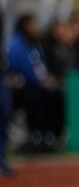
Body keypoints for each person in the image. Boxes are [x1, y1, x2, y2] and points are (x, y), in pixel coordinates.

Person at [5, 13, 64, 152]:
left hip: (40, 84)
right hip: (24, 86)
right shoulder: (16, 44)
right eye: (34, 24)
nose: (37, 28)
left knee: (57, 96)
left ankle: (51, 135)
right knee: (36, 96)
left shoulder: (35, 44)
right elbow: (23, 67)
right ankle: (36, 136)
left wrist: (48, 79)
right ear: (26, 26)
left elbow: (41, 65)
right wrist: (40, 81)